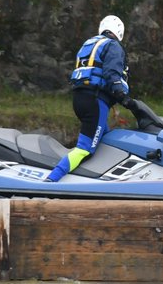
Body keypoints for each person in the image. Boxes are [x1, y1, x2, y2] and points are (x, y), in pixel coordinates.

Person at [45, 15, 131, 182]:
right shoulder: (113, 45)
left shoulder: (90, 44)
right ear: (119, 32)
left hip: (80, 99)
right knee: (85, 149)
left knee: (106, 139)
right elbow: (111, 73)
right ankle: (52, 180)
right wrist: (121, 95)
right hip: (96, 102)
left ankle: (98, 179)